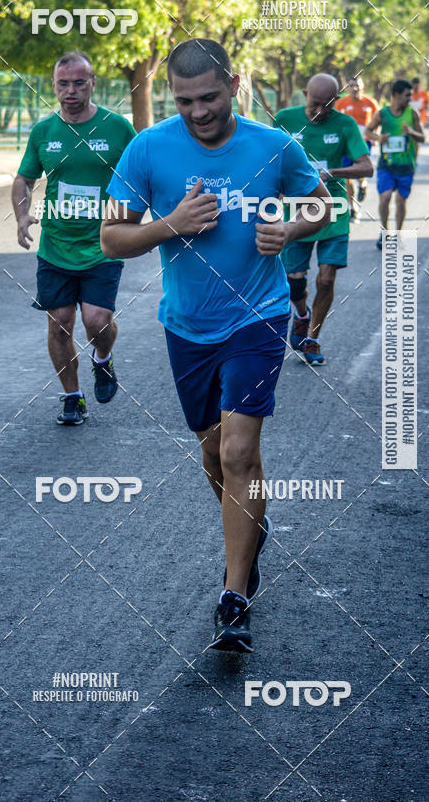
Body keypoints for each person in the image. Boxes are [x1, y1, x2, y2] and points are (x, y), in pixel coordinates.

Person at [101, 38, 332, 653]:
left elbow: (321, 204)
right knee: (214, 460)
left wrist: (291, 227)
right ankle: (251, 529)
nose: (198, 112)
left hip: (258, 317)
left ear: (233, 83)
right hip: (187, 326)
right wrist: (170, 224)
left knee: (237, 452)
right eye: (184, 101)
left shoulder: (273, 145)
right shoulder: (148, 148)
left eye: (208, 97)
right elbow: (111, 239)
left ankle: (235, 595)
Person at [11, 51, 136, 424]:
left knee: (97, 322)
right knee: (60, 322)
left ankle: (103, 359)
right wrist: (21, 215)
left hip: (103, 243)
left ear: (92, 83)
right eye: (63, 84)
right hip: (56, 246)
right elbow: (24, 179)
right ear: (54, 86)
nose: (70, 91)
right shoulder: (44, 132)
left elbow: (139, 172)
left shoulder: (117, 128)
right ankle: (72, 397)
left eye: (79, 83)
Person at [274, 73, 373, 365]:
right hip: (297, 212)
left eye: (327, 106)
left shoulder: (345, 125)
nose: (320, 112)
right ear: (305, 94)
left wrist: (333, 173)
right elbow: (267, 157)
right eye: (315, 104)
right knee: (294, 282)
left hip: (334, 210)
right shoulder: (284, 119)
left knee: (327, 279)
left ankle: (313, 339)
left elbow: (366, 167)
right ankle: (301, 315)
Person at [364, 78, 425, 249]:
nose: (409, 98)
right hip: (387, 165)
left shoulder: (412, 114)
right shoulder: (382, 114)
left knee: (400, 200)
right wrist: (378, 138)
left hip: (406, 165)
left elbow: (423, 137)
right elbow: (368, 130)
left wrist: (411, 132)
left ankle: (397, 234)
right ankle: (384, 233)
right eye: (407, 95)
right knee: (385, 197)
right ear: (396, 95)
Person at [334, 76, 378, 217]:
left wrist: (375, 135)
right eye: (351, 86)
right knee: (348, 175)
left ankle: (363, 184)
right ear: (347, 88)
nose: (354, 88)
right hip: (347, 143)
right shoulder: (342, 103)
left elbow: (378, 119)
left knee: (361, 171)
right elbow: (335, 120)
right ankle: (352, 207)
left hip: (364, 141)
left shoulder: (370, 102)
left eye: (357, 85)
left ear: (362, 87)